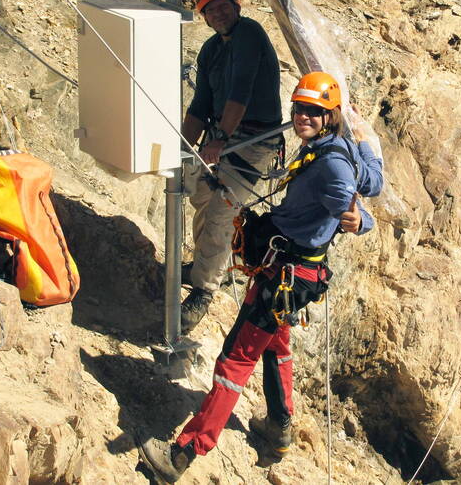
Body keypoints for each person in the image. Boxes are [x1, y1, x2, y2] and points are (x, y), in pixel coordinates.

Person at [139, 72, 384, 483]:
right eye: (299, 108)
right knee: (276, 344)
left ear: (329, 116)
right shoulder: (335, 147)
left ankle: (184, 453)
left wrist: (361, 221)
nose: (303, 116)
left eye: (313, 111)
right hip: (296, 272)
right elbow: (371, 181)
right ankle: (278, 426)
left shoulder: (332, 163)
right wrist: (364, 144)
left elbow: (349, 200)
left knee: (235, 358)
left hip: (284, 275)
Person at [180, 0, 283, 334]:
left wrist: (220, 138)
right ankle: (204, 265)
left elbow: (241, 90)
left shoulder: (249, 34)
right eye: (211, 10)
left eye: (223, 6)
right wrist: (184, 146)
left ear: (236, 6)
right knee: (200, 196)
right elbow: (200, 104)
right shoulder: (211, 49)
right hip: (223, 133)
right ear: (205, 18)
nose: (219, 14)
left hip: (253, 139)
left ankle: (204, 290)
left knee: (222, 211)